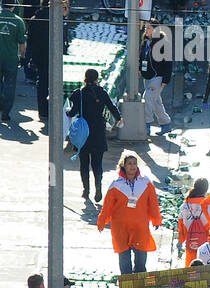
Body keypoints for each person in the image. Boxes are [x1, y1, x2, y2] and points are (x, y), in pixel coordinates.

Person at [96, 152, 163, 274]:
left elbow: (153, 204)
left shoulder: (146, 183)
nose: (132, 166)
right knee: (124, 260)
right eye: (129, 164)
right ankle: (127, 285)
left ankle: (140, 285)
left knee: (141, 262)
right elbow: (107, 207)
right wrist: (101, 222)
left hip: (140, 227)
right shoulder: (116, 185)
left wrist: (156, 220)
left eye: (134, 164)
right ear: (123, 166)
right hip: (121, 228)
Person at [67, 68, 120, 203]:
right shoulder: (102, 92)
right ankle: (98, 189)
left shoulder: (79, 94)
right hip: (98, 131)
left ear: (85, 78)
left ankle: (86, 190)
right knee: (97, 163)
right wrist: (119, 118)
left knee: (84, 163)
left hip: (83, 133)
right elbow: (112, 107)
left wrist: (67, 112)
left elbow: (72, 113)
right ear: (97, 79)